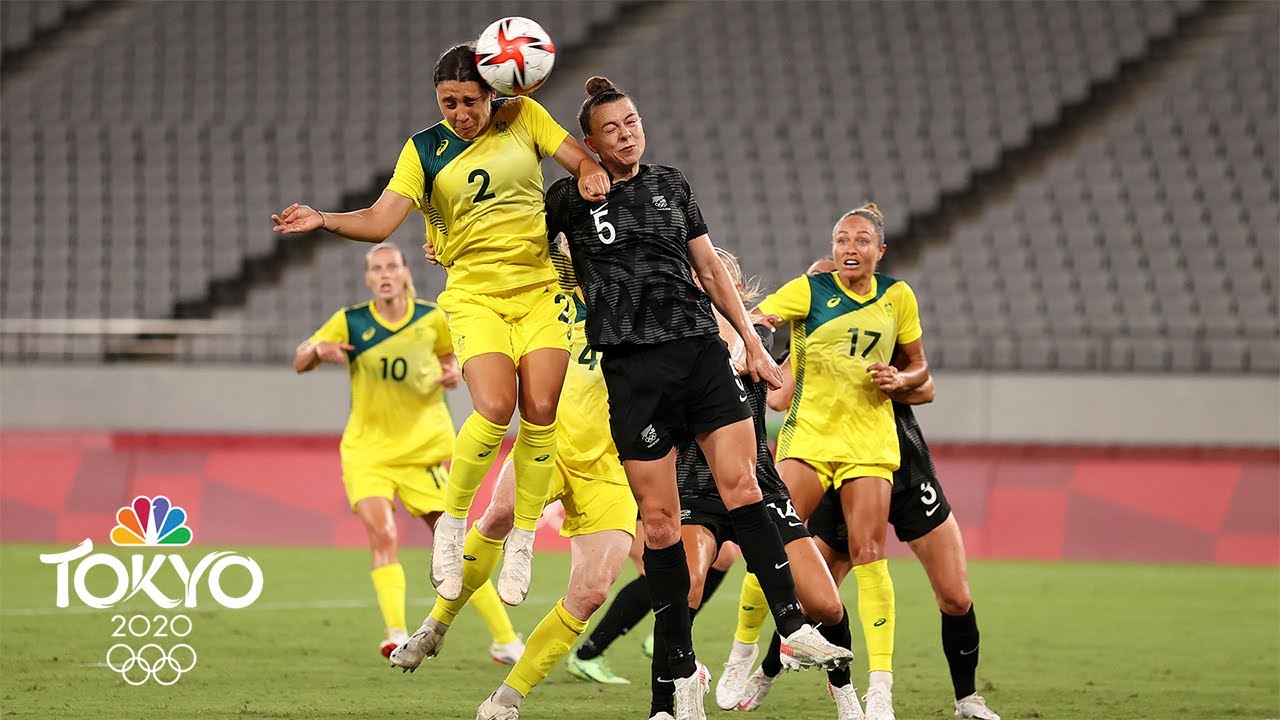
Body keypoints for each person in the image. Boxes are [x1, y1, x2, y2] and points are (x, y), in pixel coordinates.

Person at [544, 76, 851, 720]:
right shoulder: (567, 200)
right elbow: (530, 258)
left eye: (632, 120)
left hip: (699, 355)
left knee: (743, 486)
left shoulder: (671, 185)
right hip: (631, 372)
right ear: (589, 142)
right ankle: (676, 677)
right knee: (658, 525)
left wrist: (756, 347)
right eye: (612, 128)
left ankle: (790, 624)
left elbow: (710, 270)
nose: (628, 133)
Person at [273, 43, 611, 607]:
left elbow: (579, 159)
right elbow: (382, 219)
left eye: (470, 101)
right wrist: (325, 219)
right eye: (448, 102)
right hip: (475, 294)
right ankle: (452, 529)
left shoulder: (523, 116)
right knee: (495, 407)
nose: (460, 113)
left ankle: (523, 537)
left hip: (539, 287)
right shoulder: (423, 149)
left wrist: (592, 173)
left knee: (542, 410)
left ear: (493, 93)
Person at [389, 240, 639, 720]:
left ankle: (508, 697)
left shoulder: (642, 304)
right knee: (499, 514)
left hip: (613, 468)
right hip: (552, 443)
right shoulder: (545, 291)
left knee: (591, 593)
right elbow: (493, 266)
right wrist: (454, 251)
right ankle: (436, 625)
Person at [645, 248, 861, 720]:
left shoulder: (758, 337)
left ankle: (846, 694)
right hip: (698, 486)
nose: (698, 290)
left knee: (825, 605)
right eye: (693, 282)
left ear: (732, 290)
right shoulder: (672, 346)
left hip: (760, 484)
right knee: (684, 591)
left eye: (708, 281)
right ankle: (666, 705)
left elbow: (783, 387)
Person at [293, 242, 524, 665]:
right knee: (383, 533)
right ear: (368, 278)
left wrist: (455, 369)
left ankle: (505, 640)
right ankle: (395, 632)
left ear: (403, 273)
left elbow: (459, 356)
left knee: (452, 547)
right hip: (368, 454)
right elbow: (300, 358)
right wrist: (316, 352)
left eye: (391, 266)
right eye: (376, 268)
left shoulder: (432, 319)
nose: (384, 274)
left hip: (423, 454)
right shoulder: (350, 322)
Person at [747, 205, 931, 720]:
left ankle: (879, 690)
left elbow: (920, 370)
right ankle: (749, 660)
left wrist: (902, 381)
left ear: (880, 250)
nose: (850, 247)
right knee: (772, 541)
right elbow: (760, 322)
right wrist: (756, 344)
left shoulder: (897, 297)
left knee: (865, 557)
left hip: (869, 447)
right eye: (841, 239)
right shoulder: (808, 295)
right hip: (808, 444)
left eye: (862, 239)